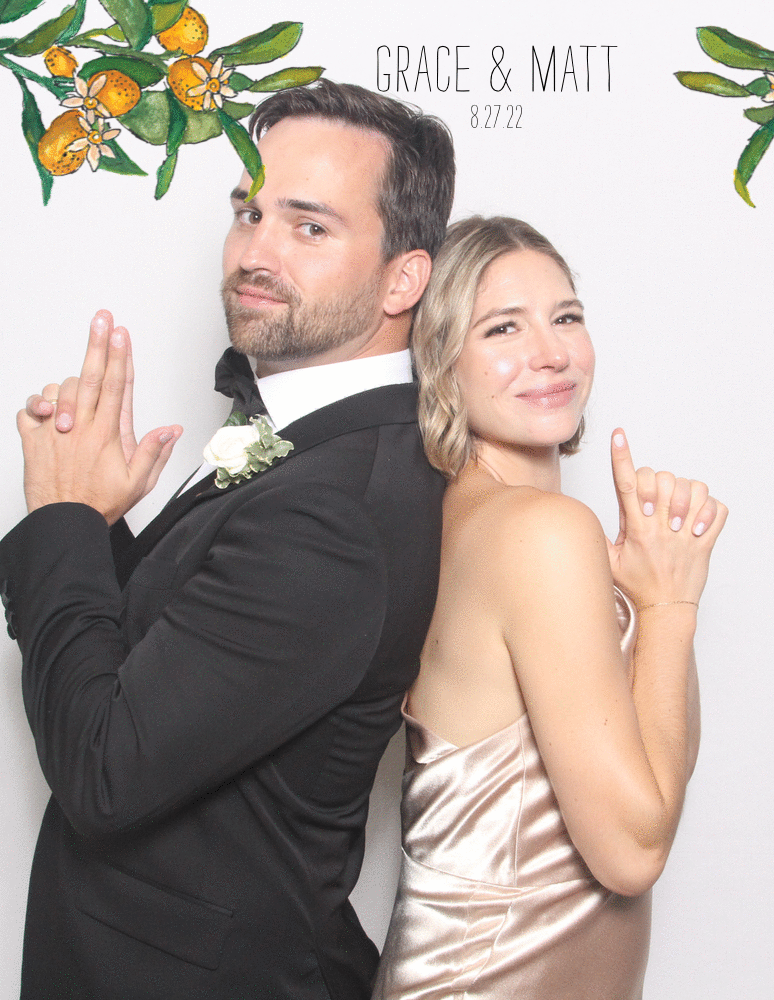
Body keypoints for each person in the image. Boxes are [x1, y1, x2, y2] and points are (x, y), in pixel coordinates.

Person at [0, 81, 455, 1000]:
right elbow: (172, 667)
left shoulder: (332, 510)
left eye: (309, 226)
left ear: (404, 279)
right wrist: (97, 526)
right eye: (249, 213)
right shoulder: (309, 444)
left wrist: (65, 518)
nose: (256, 251)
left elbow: (104, 770)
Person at [372, 216, 727, 999]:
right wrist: (669, 609)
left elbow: (657, 771)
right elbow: (633, 853)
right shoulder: (541, 534)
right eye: (503, 328)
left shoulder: (463, 520)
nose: (552, 352)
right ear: (438, 359)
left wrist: (653, 599)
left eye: (566, 317)